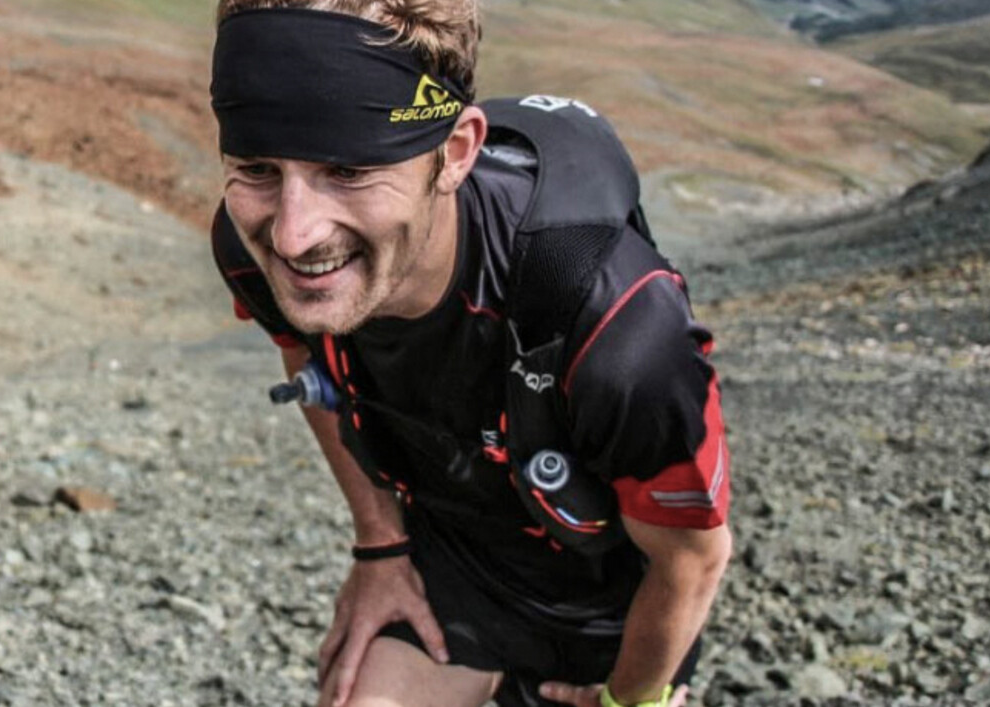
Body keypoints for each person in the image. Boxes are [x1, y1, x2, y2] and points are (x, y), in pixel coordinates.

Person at [206, 2, 733, 707]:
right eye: (257, 166)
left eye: (350, 170)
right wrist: (380, 545)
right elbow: (311, 370)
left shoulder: (617, 321)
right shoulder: (253, 250)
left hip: (612, 609)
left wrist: (630, 699)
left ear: (454, 153)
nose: (296, 235)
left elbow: (692, 557)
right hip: (455, 567)